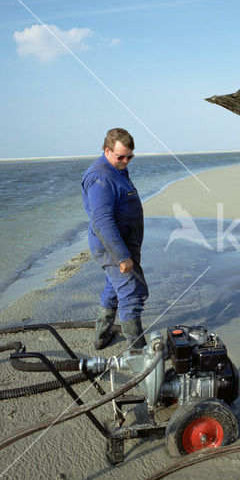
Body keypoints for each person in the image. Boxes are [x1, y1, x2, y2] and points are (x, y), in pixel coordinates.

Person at [81, 128, 148, 350]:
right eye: (121, 157)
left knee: (113, 288)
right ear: (106, 150)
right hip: (113, 249)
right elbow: (102, 223)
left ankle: (102, 336)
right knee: (132, 294)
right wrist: (122, 257)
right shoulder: (100, 177)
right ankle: (139, 353)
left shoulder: (117, 170)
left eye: (130, 157)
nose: (126, 161)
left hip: (124, 244)